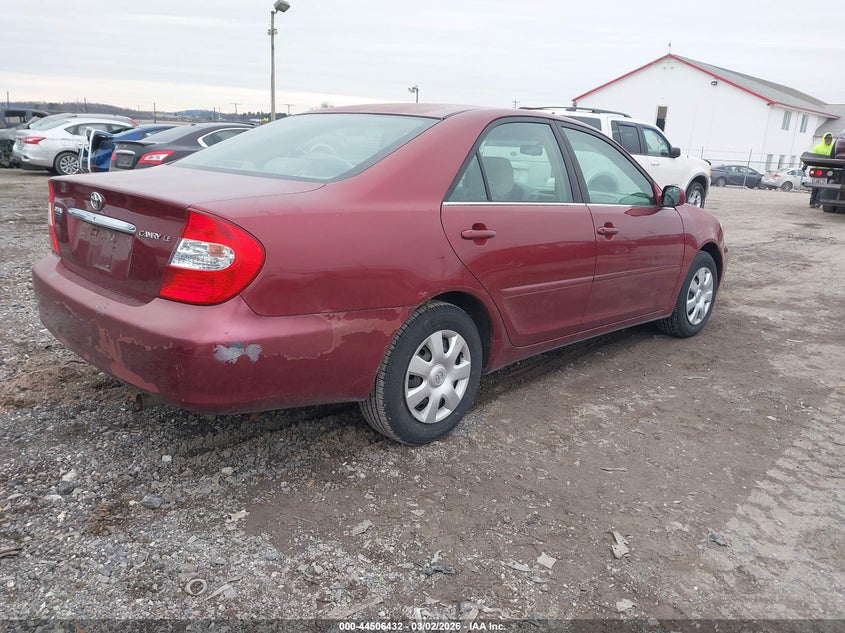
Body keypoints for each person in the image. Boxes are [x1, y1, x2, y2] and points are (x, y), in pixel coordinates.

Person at [808, 132, 835, 207]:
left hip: (826, 171)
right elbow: (812, 156)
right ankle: (812, 203)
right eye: (827, 138)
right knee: (815, 188)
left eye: (830, 138)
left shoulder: (833, 147)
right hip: (817, 169)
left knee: (822, 188)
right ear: (824, 138)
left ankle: (818, 202)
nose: (828, 139)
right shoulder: (818, 147)